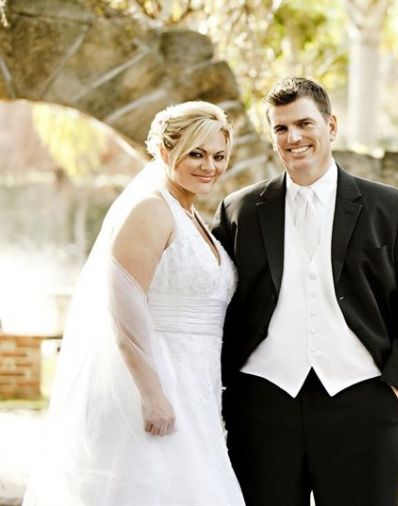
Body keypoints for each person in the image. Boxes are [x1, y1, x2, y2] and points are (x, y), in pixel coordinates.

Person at [212, 77, 398, 506]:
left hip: (363, 400)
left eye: (304, 124)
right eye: (280, 128)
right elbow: (217, 301)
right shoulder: (240, 209)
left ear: (331, 126)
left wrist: (397, 390)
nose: (293, 138)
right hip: (264, 402)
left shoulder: (390, 208)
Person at [24, 101, 245, 505]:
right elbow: (123, 305)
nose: (209, 166)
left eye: (218, 156)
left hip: (200, 383)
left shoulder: (194, 219)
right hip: (160, 379)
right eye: (196, 153)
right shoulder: (150, 210)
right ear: (165, 152)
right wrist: (152, 394)